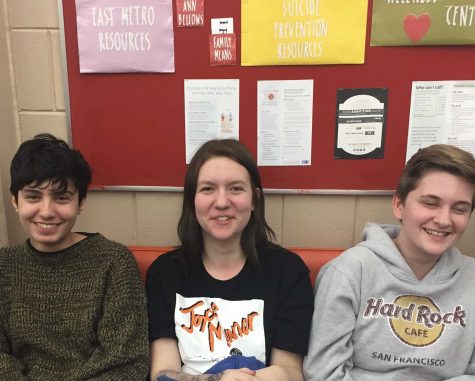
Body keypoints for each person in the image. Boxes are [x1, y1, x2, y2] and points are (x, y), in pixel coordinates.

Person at [146, 139, 314, 381]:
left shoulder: (287, 271)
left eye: (236, 188)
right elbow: (162, 372)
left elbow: (290, 371)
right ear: (192, 200)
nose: (222, 202)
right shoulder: (165, 273)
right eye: (208, 189)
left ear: (255, 199)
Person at [304, 144, 475, 380]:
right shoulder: (349, 272)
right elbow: (324, 373)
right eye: (430, 203)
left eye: (459, 208)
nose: (444, 220)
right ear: (399, 205)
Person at [0, 134, 149, 380]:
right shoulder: (5, 266)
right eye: (33, 196)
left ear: (80, 202)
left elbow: (127, 362)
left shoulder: (113, 262)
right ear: (15, 201)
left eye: (61, 197)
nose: (46, 212)